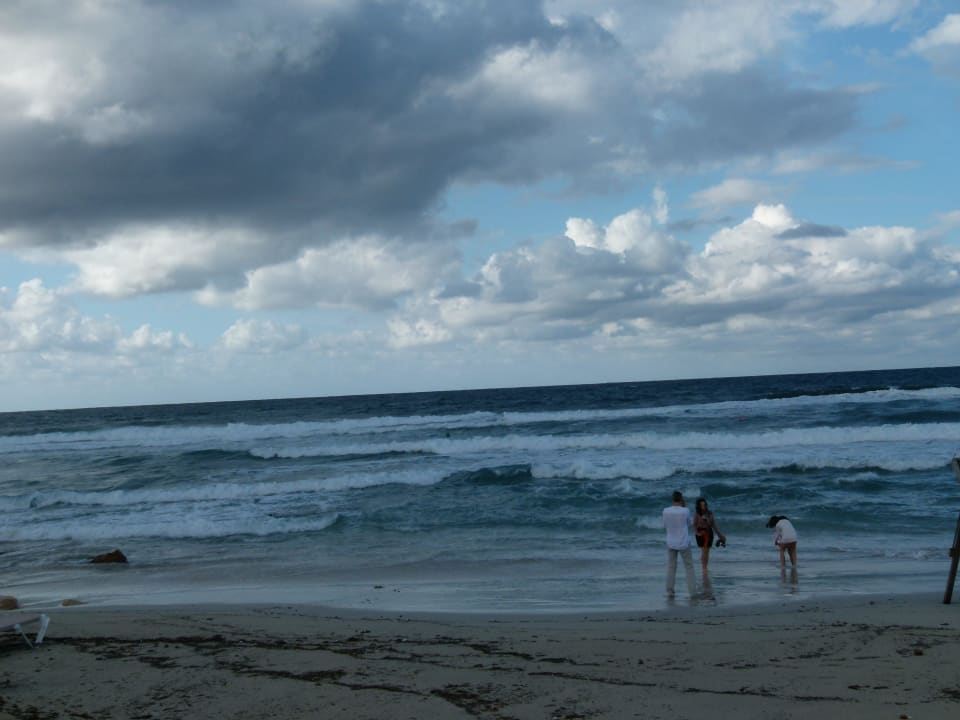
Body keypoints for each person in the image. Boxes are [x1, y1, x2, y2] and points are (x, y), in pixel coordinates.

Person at [662, 491, 696, 598]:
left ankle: (670, 590)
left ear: (672, 499)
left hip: (671, 541)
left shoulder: (665, 511)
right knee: (689, 567)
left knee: (671, 566)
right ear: (681, 499)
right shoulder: (685, 510)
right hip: (683, 542)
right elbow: (689, 524)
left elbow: (665, 525)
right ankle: (692, 592)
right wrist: (684, 506)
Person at [694, 498, 726, 570]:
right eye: (701, 505)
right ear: (699, 506)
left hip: (709, 532)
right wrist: (697, 533)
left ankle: (705, 567)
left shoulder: (710, 513)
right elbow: (694, 525)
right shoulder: (697, 514)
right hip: (700, 533)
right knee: (703, 550)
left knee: (707, 551)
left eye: (704, 504)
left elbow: (714, 525)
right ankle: (704, 567)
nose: (703, 506)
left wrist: (719, 535)